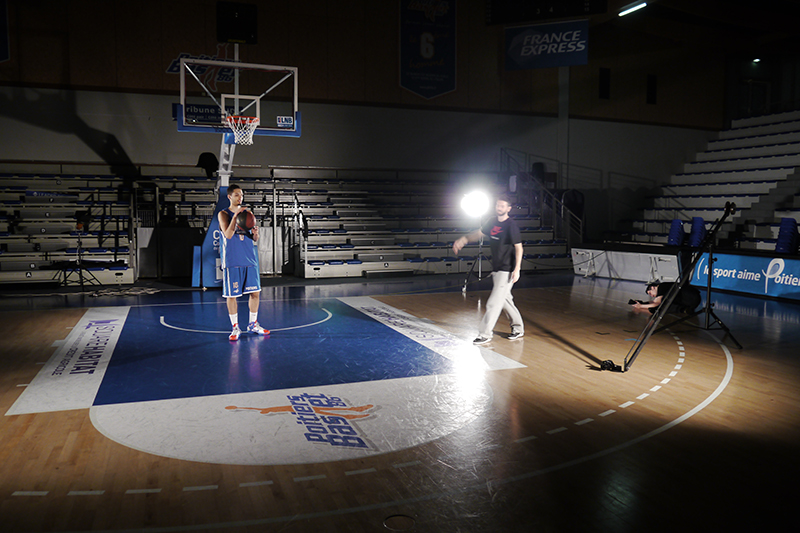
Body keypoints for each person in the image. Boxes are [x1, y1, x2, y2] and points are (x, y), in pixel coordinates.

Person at [452, 193, 524, 345]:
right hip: (497, 268)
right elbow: (478, 234)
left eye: (502, 206)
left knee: (493, 302)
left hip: (507, 270)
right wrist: (464, 239)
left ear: (508, 209)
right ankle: (518, 329)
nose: (499, 208)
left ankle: (485, 334)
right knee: (505, 300)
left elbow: (519, 248)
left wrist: (517, 269)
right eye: (498, 205)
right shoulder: (491, 222)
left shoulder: (511, 226)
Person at [218, 183, 269, 341]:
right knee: (232, 296)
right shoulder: (223, 214)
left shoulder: (248, 213)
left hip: (249, 257)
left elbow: (253, 238)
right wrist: (235, 217)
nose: (240, 198)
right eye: (237, 195)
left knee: (255, 293)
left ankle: (253, 324)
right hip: (232, 259)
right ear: (229, 197)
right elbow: (227, 235)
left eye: (241, 195)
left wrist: (255, 234)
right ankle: (235, 328)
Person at [630, 281, 702, 315]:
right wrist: (642, 303)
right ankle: (685, 309)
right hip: (695, 298)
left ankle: (683, 310)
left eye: (650, 293)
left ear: (652, 287)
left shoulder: (661, 287)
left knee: (661, 306)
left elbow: (657, 303)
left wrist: (641, 306)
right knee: (664, 301)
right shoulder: (665, 286)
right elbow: (655, 302)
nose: (651, 296)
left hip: (689, 298)